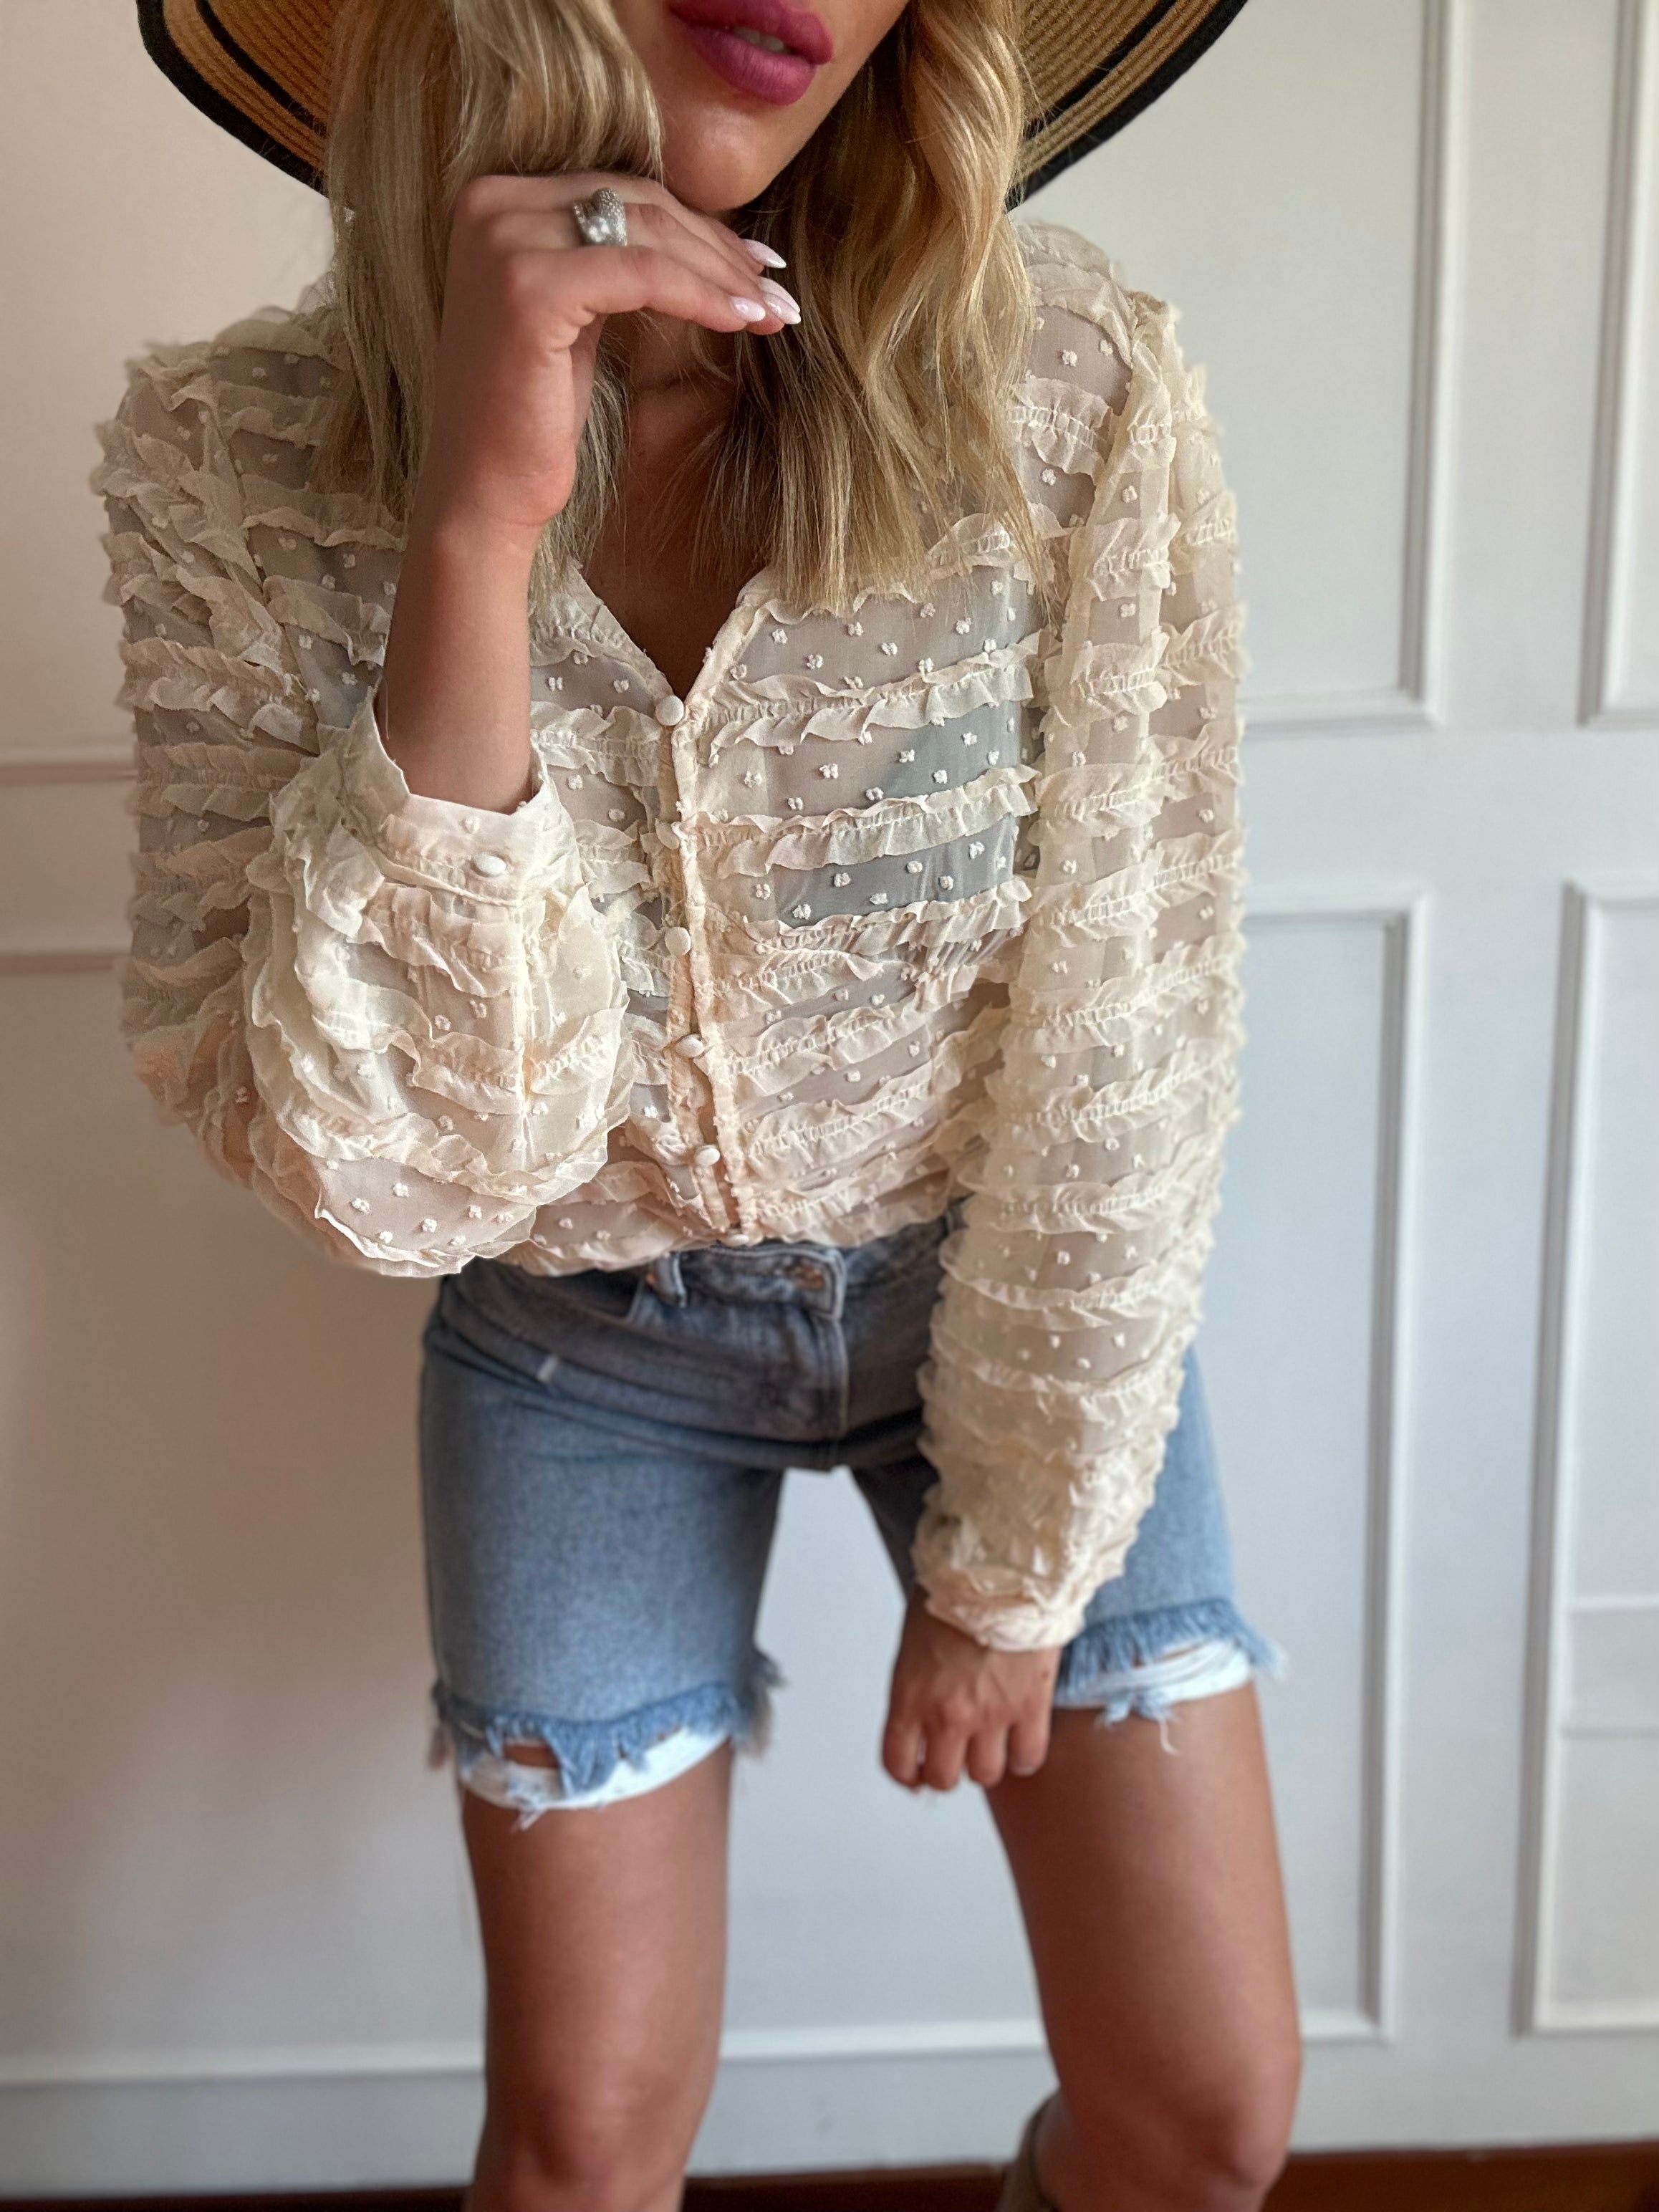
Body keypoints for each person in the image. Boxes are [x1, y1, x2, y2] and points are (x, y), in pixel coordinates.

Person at [93, 1, 1301, 2206]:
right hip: (578, 1355)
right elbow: (395, 1177)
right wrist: (473, 528)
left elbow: (1131, 1023)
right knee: (582, 2146)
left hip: (1009, 1304)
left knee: (1203, 2113)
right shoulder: (227, 462)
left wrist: (1017, 1557)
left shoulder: (1064, 388)